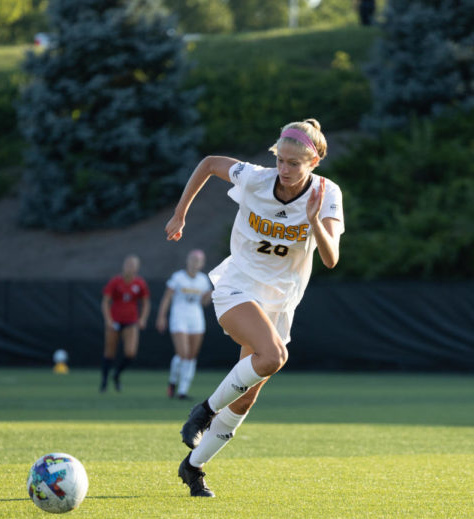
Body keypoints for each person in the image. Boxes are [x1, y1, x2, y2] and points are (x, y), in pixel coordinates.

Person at [165, 118, 343, 497]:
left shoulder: (326, 195)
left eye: (295, 163)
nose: (285, 168)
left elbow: (331, 260)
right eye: (281, 158)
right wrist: (181, 213)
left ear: (314, 162)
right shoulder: (256, 178)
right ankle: (204, 411)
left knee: (247, 395)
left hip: (281, 300)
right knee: (273, 355)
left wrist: (314, 222)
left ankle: (193, 468)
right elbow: (211, 163)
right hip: (237, 286)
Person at [156, 249, 213, 400]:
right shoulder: (178, 277)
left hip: (196, 318)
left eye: (198, 260)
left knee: (192, 356)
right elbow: (167, 298)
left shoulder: (203, 280)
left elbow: (204, 302)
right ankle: (173, 381)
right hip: (179, 317)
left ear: (202, 263)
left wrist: (211, 294)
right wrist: (161, 316)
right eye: (193, 259)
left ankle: (183, 391)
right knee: (183, 353)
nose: (195, 263)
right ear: (188, 260)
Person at [100, 254, 150, 392]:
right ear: (124, 266)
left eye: (133, 265)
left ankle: (116, 374)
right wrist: (108, 319)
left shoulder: (139, 283)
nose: (130, 267)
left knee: (130, 353)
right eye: (128, 264)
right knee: (109, 352)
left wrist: (143, 318)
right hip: (115, 320)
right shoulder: (116, 281)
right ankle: (104, 382)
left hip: (131, 321)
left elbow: (145, 302)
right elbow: (105, 301)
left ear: (137, 268)